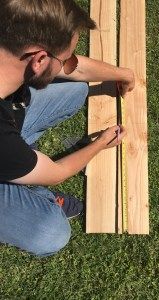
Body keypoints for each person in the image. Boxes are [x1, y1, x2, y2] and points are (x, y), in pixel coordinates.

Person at [0, 0, 134, 257]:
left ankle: (21, 164)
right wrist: (99, 143)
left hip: (7, 139)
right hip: (5, 148)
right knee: (50, 232)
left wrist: (123, 74)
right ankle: (28, 185)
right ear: (39, 59)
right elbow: (57, 172)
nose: (68, 64)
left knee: (76, 89)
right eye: (64, 59)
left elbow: (77, 70)